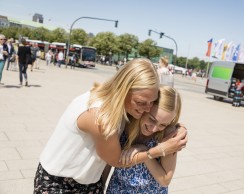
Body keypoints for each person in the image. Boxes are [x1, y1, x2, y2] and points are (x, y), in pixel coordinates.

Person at [33, 58, 187, 193]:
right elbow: (115, 160)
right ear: (124, 89)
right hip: (60, 183)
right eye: (141, 102)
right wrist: (156, 151)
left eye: (151, 102)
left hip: (90, 183)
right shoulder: (98, 114)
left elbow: (165, 115)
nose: (147, 108)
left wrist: (178, 129)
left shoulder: (127, 109)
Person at [106, 85, 182, 193]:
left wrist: (145, 152)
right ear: (146, 107)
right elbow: (108, 161)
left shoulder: (168, 134)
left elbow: (165, 180)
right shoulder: (125, 122)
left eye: (163, 125)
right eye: (152, 119)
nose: (154, 128)